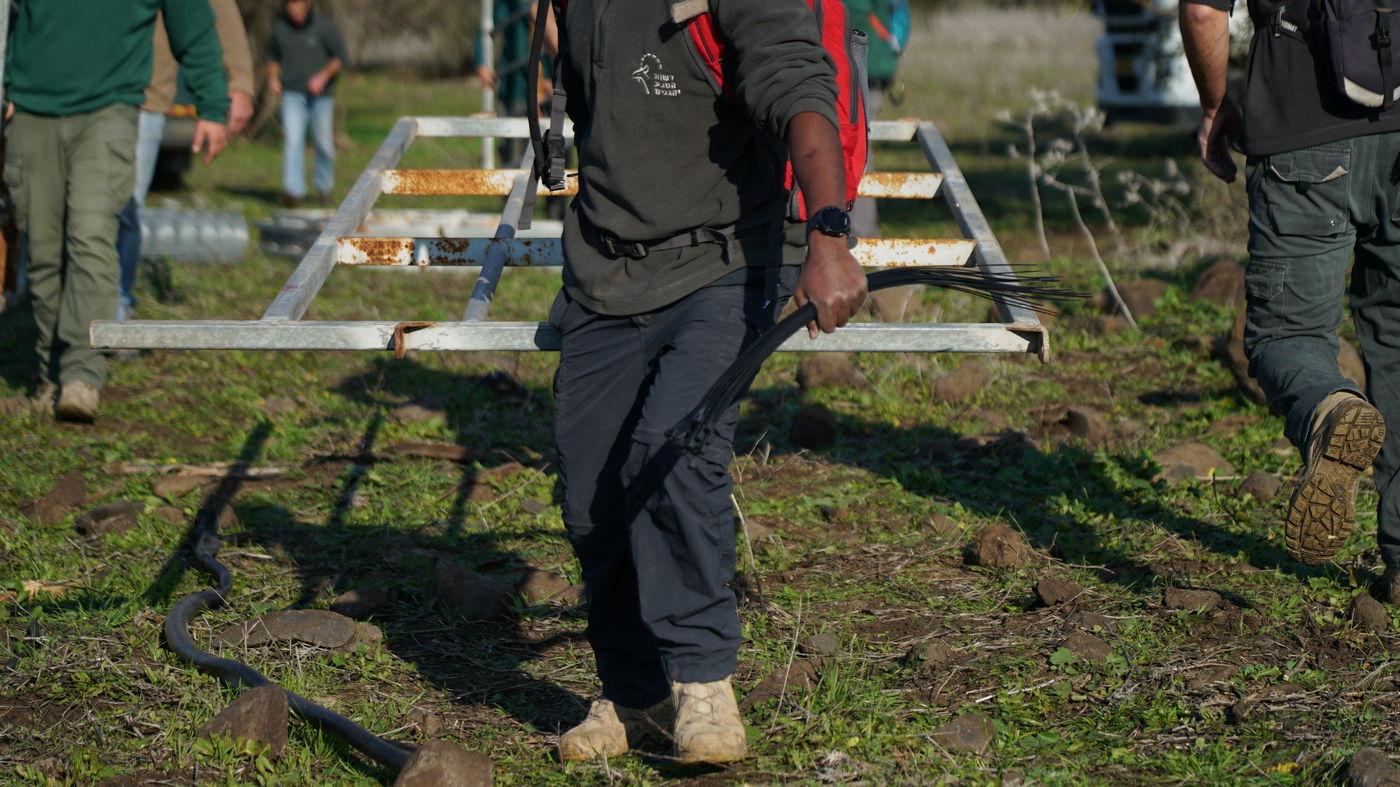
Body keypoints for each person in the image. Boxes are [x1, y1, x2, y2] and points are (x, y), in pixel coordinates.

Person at [548, 0, 867, 765]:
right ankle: (633, 694)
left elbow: (801, 89)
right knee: (590, 486)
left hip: (728, 255)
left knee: (675, 446)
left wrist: (828, 232)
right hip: (607, 268)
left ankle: (702, 683)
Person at [1180, 0, 1397, 592]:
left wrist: (1214, 105)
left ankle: (1329, 410)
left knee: (1286, 337)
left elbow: (1204, 12)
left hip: (1302, 135)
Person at [4, 0, 229, 422]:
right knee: (44, 247)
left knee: (90, 234)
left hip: (108, 110)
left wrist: (213, 106)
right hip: (30, 112)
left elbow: (194, 27)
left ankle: (81, 374)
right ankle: (50, 376)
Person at [116, 0, 256, 322]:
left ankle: (115, 310)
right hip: (64, 93)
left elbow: (216, 8)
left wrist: (239, 81)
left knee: (123, 209)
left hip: (143, 93)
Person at [267, 0, 348, 207]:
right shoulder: (279, 29)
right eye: (291, 8)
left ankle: (324, 187)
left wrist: (322, 76)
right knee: (293, 141)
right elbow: (273, 58)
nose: (296, 13)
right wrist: (273, 78)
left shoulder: (325, 26)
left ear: (308, 5)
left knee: (323, 143)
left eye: (299, 7)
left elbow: (339, 58)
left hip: (321, 96)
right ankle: (294, 192)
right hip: (292, 94)